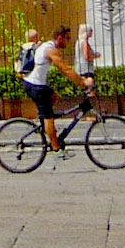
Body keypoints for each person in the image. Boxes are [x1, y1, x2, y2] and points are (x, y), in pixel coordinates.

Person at [22, 24, 88, 153]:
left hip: (39, 84)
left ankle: (45, 127)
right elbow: (65, 69)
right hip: (36, 86)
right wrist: (83, 82)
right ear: (59, 37)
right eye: (67, 38)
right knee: (49, 118)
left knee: (55, 97)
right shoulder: (51, 50)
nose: (68, 41)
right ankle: (56, 149)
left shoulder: (48, 46)